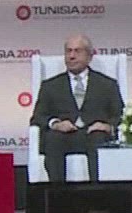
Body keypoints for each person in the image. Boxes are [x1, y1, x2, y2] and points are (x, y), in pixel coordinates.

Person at [30, 34, 125, 185]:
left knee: (98, 138)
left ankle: (99, 193)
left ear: (89, 56)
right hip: (63, 136)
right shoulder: (50, 86)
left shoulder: (107, 84)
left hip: (94, 135)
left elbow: (120, 115)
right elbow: (37, 117)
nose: (72, 56)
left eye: (77, 51)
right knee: (53, 139)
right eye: (68, 51)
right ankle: (57, 193)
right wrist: (55, 124)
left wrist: (107, 126)